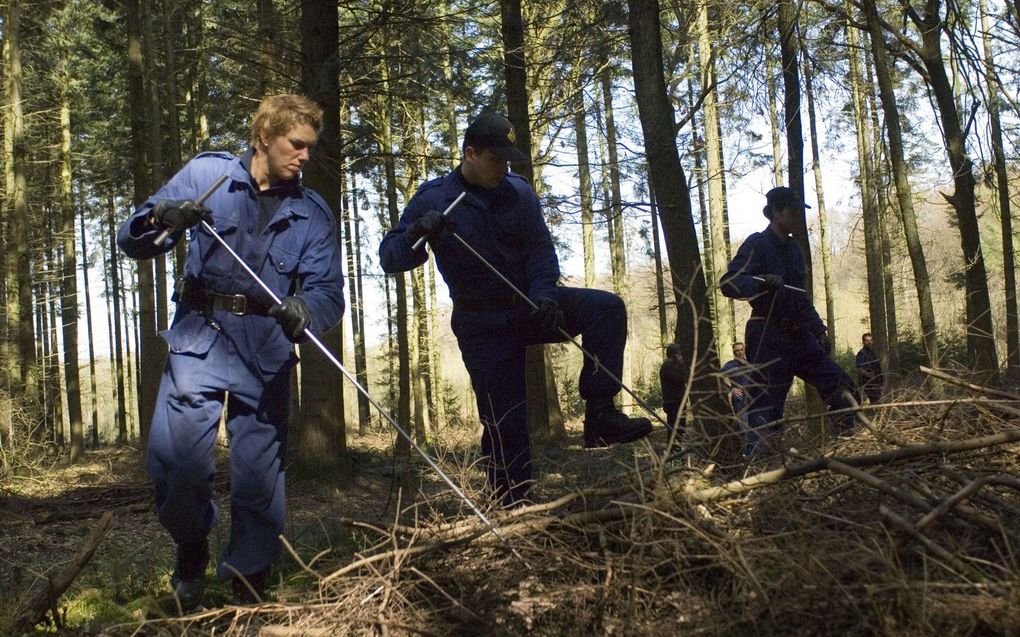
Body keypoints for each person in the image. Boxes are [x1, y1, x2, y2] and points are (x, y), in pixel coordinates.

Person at [117, 94, 345, 608]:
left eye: (311, 146)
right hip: (199, 337)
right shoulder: (208, 176)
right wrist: (161, 218)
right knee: (176, 468)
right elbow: (130, 238)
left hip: (266, 347)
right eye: (297, 144)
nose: (305, 155)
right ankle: (191, 552)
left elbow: (330, 292)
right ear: (265, 136)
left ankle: (249, 581)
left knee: (260, 477)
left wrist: (306, 308)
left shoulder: (312, 212)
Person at [378, 111, 651, 507]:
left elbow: (541, 250)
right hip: (482, 325)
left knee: (606, 309)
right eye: (496, 160)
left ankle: (600, 416)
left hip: (530, 306)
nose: (503, 168)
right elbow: (391, 258)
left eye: (509, 160)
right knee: (507, 426)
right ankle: (512, 506)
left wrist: (544, 295)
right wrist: (419, 233)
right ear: (470, 154)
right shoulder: (434, 197)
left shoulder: (519, 192)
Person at [719, 187, 855, 458]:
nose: (797, 217)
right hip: (768, 336)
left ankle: (847, 451)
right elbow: (729, 283)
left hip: (801, 336)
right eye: (792, 211)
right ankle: (762, 470)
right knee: (765, 411)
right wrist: (762, 281)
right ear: (776, 212)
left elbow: (802, 297)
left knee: (843, 386)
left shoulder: (796, 251)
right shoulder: (757, 244)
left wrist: (818, 329)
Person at [721, 342, 753, 427]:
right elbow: (718, 378)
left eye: (742, 349)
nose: (740, 352)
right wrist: (731, 389)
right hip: (740, 401)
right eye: (737, 350)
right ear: (734, 352)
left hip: (753, 399)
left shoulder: (750, 363)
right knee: (743, 427)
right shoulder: (730, 365)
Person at [659, 343, 687, 434]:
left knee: (680, 428)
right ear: (675, 355)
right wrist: (682, 366)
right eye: (680, 354)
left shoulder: (671, 366)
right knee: (676, 429)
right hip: (673, 403)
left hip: (677, 402)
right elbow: (680, 379)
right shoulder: (668, 366)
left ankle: (677, 447)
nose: (682, 357)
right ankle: (674, 447)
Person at [855, 333, 884, 404]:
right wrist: (868, 375)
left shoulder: (873, 352)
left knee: (877, 401)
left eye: (870, 340)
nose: (869, 342)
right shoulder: (861, 354)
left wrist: (881, 380)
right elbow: (859, 369)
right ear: (863, 342)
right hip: (867, 384)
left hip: (876, 383)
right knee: (872, 402)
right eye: (867, 340)